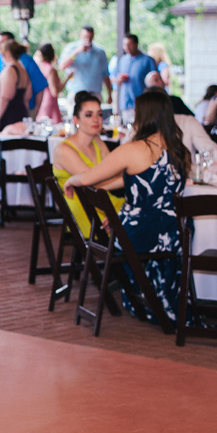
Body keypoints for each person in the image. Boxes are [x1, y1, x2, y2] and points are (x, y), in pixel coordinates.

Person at [64, 89, 190, 326]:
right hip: (176, 233)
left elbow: (89, 177)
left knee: (115, 237)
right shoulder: (178, 149)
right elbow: (139, 180)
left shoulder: (135, 149)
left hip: (142, 234)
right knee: (121, 226)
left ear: (145, 115)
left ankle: (144, 297)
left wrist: (71, 181)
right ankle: (155, 297)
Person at [52, 92, 124, 235]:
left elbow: (114, 170)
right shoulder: (64, 149)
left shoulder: (96, 141)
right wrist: (128, 178)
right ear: (76, 120)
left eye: (99, 114)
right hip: (85, 209)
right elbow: (93, 183)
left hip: (103, 201)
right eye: (89, 115)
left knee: (143, 213)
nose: (96, 120)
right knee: (137, 218)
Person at [0, 31, 48, 128]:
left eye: (2, 42)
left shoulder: (22, 64)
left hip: (9, 115)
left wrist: (34, 110)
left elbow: (5, 97)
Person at [0, 39, 32, 145]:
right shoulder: (23, 70)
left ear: (7, 53)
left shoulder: (10, 70)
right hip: (20, 112)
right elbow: (27, 96)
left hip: (8, 114)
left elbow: (5, 97)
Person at [59, 26, 112, 105]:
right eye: (85, 37)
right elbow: (62, 66)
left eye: (90, 37)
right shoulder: (72, 48)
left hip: (95, 94)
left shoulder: (100, 52)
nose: (88, 39)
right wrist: (76, 52)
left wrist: (109, 94)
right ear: (81, 36)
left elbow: (105, 74)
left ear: (93, 36)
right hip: (76, 93)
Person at [111, 33, 156, 117]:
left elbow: (155, 82)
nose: (127, 47)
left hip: (142, 103)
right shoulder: (123, 60)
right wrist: (119, 80)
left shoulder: (147, 60)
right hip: (125, 103)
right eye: (124, 45)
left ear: (136, 44)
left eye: (129, 44)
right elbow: (115, 78)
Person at [34, 42, 65, 123]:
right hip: (49, 101)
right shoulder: (50, 69)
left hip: (41, 99)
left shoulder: (39, 66)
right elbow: (54, 91)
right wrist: (67, 79)